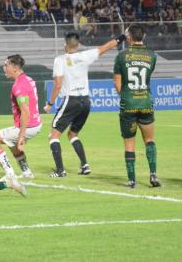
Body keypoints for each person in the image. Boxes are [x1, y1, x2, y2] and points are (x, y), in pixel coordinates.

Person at [44, 32, 123, 177]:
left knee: (53, 136)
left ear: (64, 44)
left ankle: (60, 171)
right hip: (85, 101)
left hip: (71, 100)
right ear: (78, 44)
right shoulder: (86, 55)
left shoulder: (60, 60)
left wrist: (50, 103)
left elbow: (57, 84)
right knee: (72, 134)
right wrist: (122, 37)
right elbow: (106, 46)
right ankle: (85, 165)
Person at [113, 25, 161, 188]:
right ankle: (153, 175)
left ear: (129, 37)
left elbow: (117, 82)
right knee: (149, 140)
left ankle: (132, 180)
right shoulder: (152, 55)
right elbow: (147, 77)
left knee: (129, 143)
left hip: (129, 104)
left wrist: (126, 96)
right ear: (144, 36)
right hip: (146, 102)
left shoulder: (121, 56)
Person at [0, 55, 41, 179]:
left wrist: (21, 136)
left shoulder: (19, 86)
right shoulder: (28, 79)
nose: (4, 67)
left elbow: (25, 113)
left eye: (6, 65)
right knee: (12, 144)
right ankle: (26, 172)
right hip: (35, 124)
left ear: (15, 67)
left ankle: (9, 174)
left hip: (28, 125)